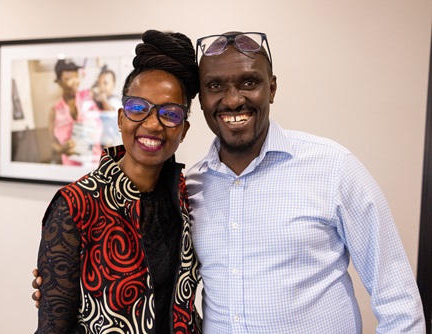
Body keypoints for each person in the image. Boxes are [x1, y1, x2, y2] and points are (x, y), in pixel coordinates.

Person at [34, 31, 426, 333]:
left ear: (271, 87)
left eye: (249, 82)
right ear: (202, 101)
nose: (233, 99)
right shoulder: (192, 189)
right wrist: (59, 280)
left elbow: (396, 296)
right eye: (216, 86)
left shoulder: (333, 168)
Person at [34, 29, 201, 334]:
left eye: (170, 114)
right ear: (122, 117)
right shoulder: (76, 205)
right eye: (139, 108)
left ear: (184, 129)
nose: (152, 124)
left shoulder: (187, 198)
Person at [48, 58, 102, 166]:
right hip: (71, 167)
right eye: (68, 78)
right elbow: (52, 143)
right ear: (58, 82)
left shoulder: (89, 97)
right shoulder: (54, 111)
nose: (74, 81)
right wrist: (62, 149)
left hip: (95, 164)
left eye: (75, 76)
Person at [91, 65, 123, 148]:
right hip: (101, 140)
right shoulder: (97, 101)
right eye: (99, 83)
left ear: (113, 85)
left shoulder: (115, 101)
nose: (102, 87)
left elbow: (111, 111)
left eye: (105, 83)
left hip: (114, 141)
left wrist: (103, 100)